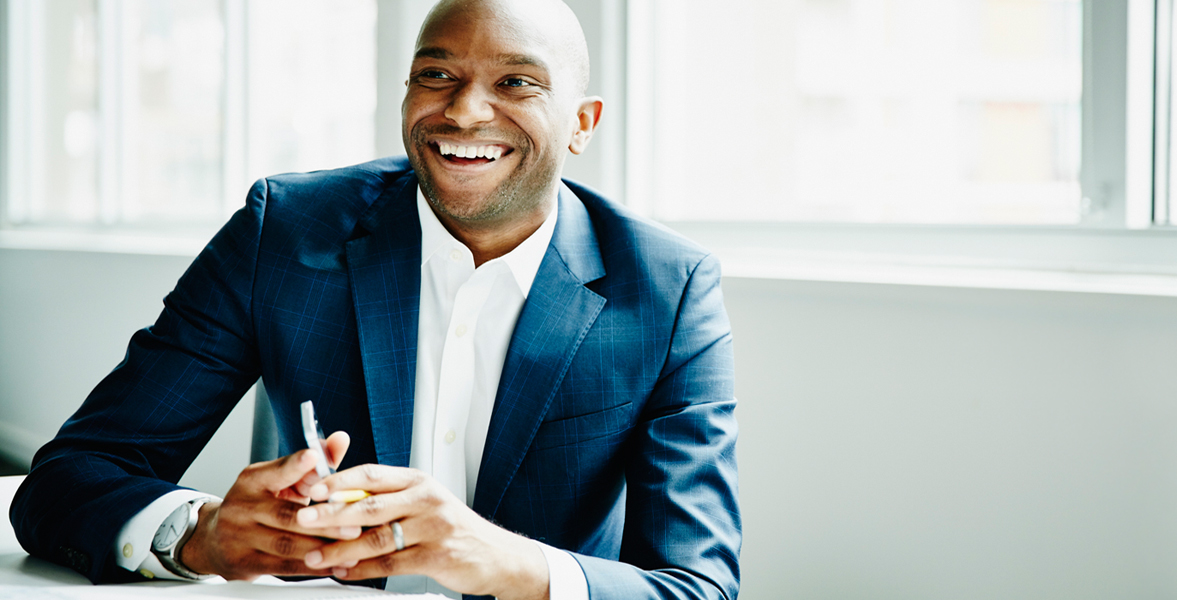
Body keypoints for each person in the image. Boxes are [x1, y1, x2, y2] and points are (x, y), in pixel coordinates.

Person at [8, 0, 740, 598]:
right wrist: (202, 534)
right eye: (436, 74)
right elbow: (66, 481)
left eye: (517, 82)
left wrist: (505, 562)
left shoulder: (668, 290)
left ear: (582, 123)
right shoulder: (283, 233)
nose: (464, 111)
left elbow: (699, 585)